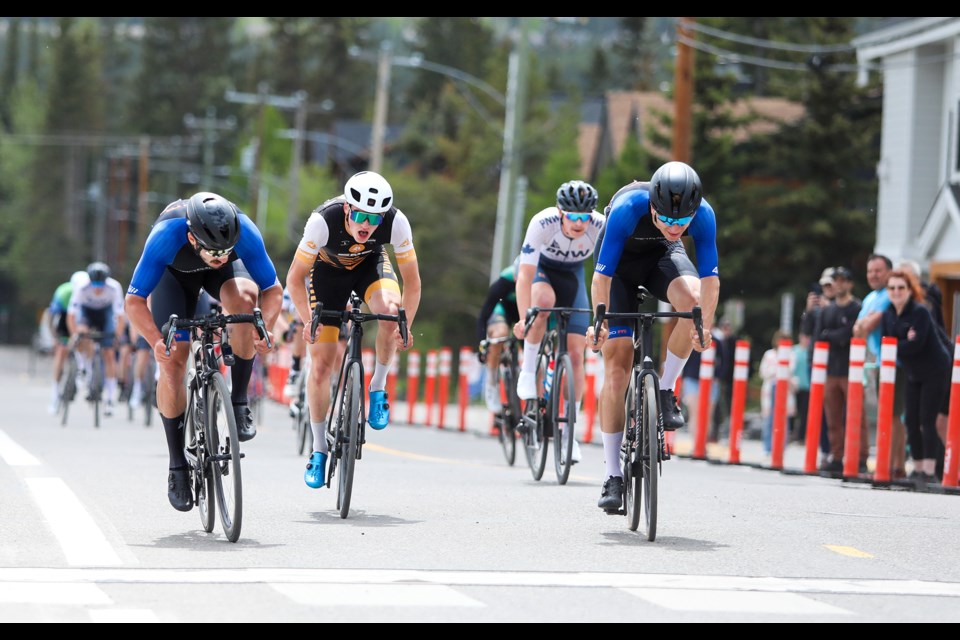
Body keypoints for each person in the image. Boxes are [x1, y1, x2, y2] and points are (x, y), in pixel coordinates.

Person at [125, 191, 282, 512]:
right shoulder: (166, 236)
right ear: (191, 236)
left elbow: (273, 290)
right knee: (173, 362)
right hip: (175, 279)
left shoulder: (244, 233)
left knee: (245, 303)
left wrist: (264, 326)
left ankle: (238, 401)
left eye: (227, 249)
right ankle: (177, 466)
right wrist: (156, 341)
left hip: (222, 282)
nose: (221, 255)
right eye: (213, 250)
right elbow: (134, 302)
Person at [587, 161, 718, 512]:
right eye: (667, 220)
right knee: (616, 365)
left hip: (663, 259)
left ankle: (664, 391)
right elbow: (602, 278)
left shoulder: (703, 214)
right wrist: (599, 323)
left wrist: (703, 325)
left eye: (682, 222)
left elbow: (710, 282)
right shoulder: (629, 207)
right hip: (619, 271)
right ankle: (612, 475)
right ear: (652, 207)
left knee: (692, 307)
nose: (676, 227)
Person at [286, 171, 421, 489]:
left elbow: (412, 283)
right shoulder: (322, 221)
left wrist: (405, 325)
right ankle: (319, 448)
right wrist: (309, 321)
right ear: (347, 208)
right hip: (327, 273)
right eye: (360, 215)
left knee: (390, 312)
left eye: (375, 219)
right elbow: (295, 278)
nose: (367, 225)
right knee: (321, 364)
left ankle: (377, 386)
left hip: (370, 266)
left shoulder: (396, 223)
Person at [512, 180, 604, 465]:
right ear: (560, 213)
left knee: (577, 355)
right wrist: (523, 316)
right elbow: (525, 276)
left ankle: (569, 433)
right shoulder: (543, 222)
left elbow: (607, 271)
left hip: (572, 276)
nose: (579, 223)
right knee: (543, 303)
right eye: (573, 217)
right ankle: (528, 372)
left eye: (584, 217)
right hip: (540, 272)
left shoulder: (600, 225)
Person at [881, 268, 952, 485]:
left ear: (910, 290)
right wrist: (905, 341)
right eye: (892, 288)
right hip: (913, 372)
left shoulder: (920, 312)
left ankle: (929, 470)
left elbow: (917, 344)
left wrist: (900, 343)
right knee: (910, 420)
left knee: (926, 420)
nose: (896, 292)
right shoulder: (888, 314)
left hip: (935, 370)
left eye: (901, 287)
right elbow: (887, 346)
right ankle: (918, 466)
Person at [852, 254, 906, 479]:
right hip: (880, 360)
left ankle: (893, 465)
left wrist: (864, 323)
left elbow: (865, 327)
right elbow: (857, 330)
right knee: (890, 413)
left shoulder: (889, 295)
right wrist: (863, 324)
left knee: (894, 415)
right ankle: (895, 465)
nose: (873, 275)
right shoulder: (869, 298)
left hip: (897, 361)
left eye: (878, 270)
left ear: (889, 272)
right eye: (870, 271)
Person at [818, 266, 868, 475]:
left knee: (856, 415)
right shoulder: (828, 309)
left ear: (849, 283)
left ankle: (860, 456)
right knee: (833, 416)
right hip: (831, 368)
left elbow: (850, 334)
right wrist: (837, 336)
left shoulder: (857, 307)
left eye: (842, 280)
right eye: (835, 280)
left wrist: (834, 335)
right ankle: (837, 454)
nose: (838, 284)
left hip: (852, 370)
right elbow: (821, 335)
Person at [68, 262, 126, 415]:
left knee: (109, 354)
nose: (98, 288)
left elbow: (120, 317)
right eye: (95, 284)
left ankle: (110, 399)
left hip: (105, 314)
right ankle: (83, 368)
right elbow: (71, 315)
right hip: (87, 313)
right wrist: (75, 335)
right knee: (81, 333)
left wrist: (117, 337)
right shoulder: (81, 287)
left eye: (101, 284)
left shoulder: (114, 288)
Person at [476, 263, 519, 414]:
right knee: (500, 335)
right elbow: (484, 315)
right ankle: (491, 382)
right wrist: (482, 344)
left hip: (525, 311)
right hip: (503, 310)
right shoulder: (506, 279)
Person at [46, 270, 90, 413]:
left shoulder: (87, 292)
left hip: (80, 319)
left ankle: (84, 371)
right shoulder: (63, 293)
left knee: (86, 339)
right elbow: (51, 317)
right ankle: (55, 392)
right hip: (65, 320)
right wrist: (55, 337)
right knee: (61, 351)